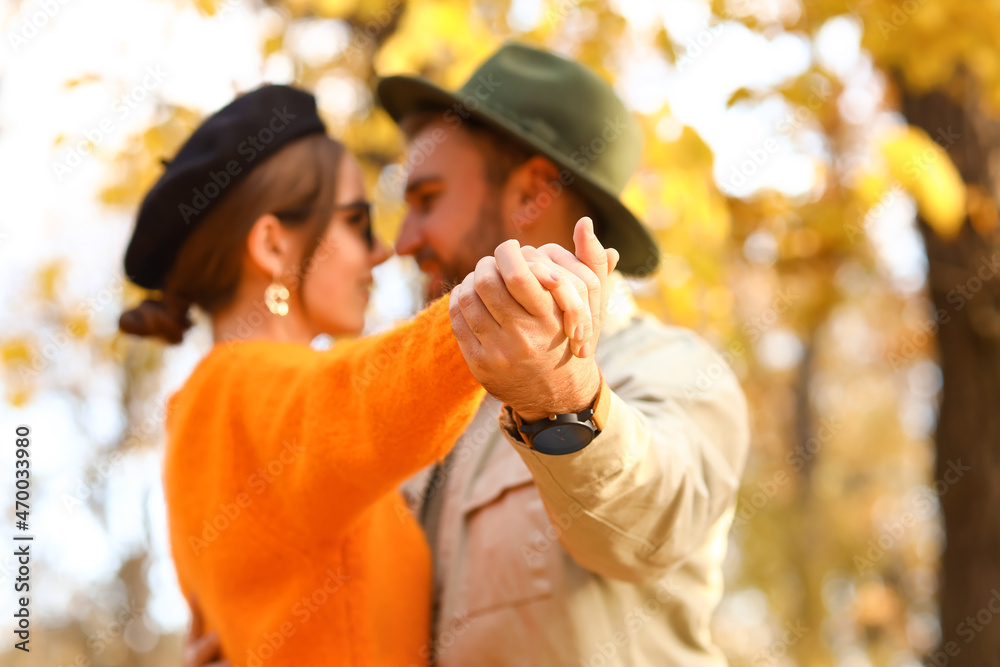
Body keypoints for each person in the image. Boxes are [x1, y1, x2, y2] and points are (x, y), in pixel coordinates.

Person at [187, 44, 750, 667]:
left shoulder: (672, 369)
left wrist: (563, 401)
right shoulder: (435, 415)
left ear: (535, 193)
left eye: (426, 199)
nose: (402, 242)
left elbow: (651, 527)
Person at [118, 83, 617, 667]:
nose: (383, 251)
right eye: (357, 223)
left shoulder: (200, 415)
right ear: (274, 245)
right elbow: (359, 400)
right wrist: (497, 306)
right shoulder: (246, 387)